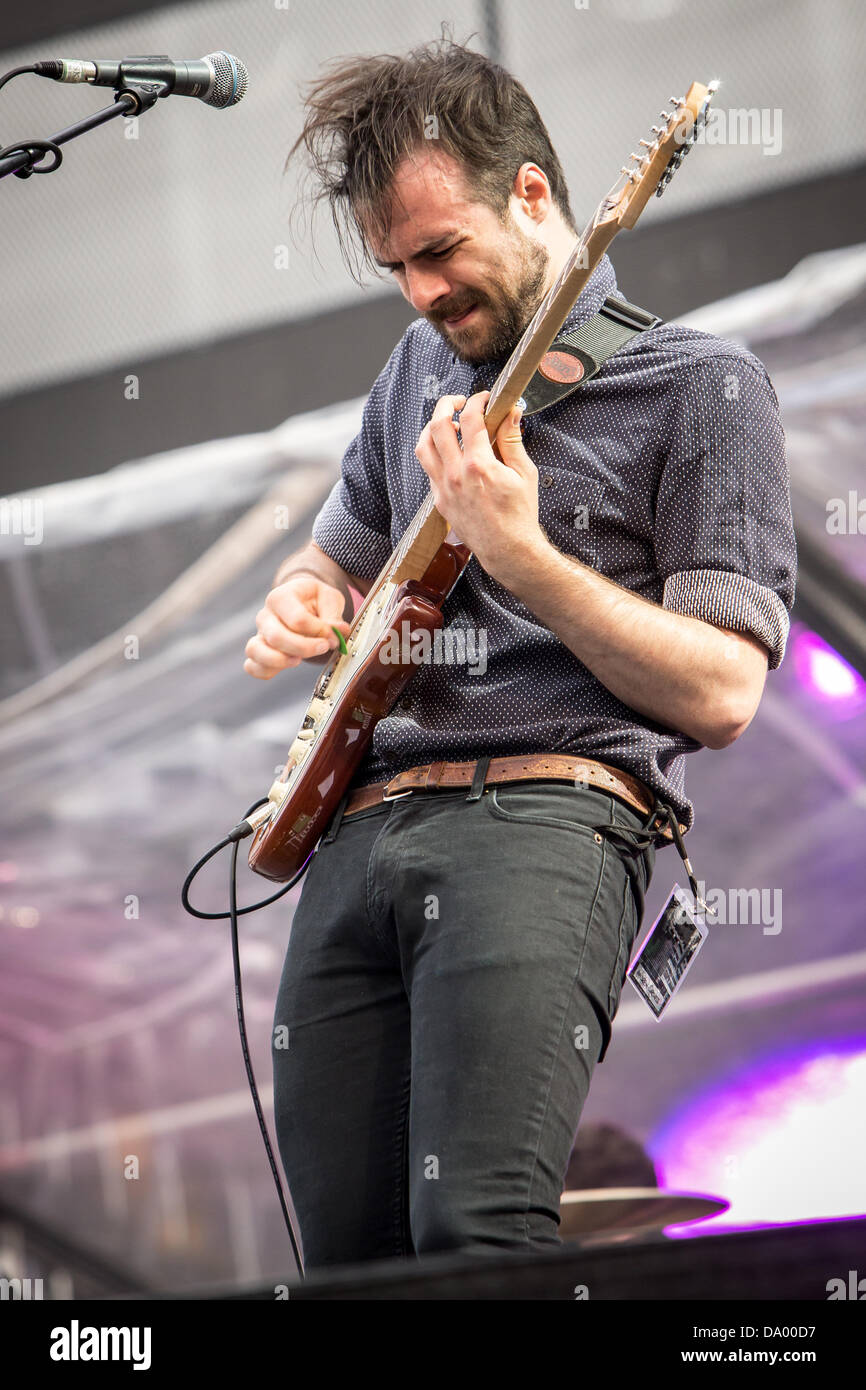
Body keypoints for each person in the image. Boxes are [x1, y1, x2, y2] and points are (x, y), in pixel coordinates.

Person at [243, 35, 796, 1268]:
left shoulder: (704, 386)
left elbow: (721, 692)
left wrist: (524, 554)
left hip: (545, 817)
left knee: (474, 1234)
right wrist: (299, 602)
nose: (421, 293)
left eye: (439, 251)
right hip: (356, 831)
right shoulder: (414, 374)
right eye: (394, 266)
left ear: (535, 195)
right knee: (347, 1260)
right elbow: (336, 559)